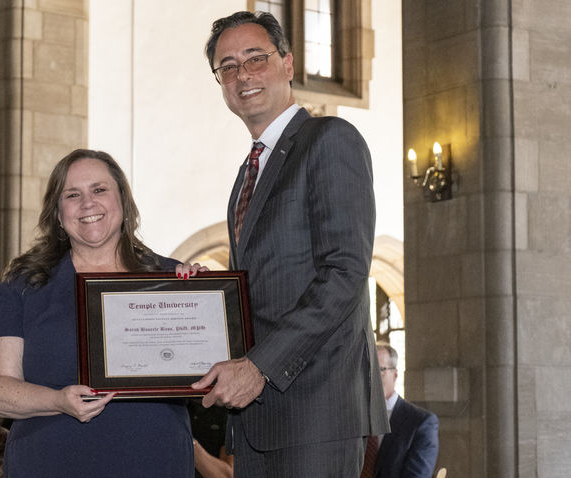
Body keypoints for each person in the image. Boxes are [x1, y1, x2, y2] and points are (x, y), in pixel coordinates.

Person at [179, 11, 389, 476]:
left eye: (256, 58)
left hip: (316, 408)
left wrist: (259, 368)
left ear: (288, 64)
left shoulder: (330, 139)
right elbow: (267, 286)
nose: (243, 74)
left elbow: (345, 274)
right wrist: (206, 296)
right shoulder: (248, 173)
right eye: (227, 66)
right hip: (259, 418)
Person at [0, 149, 194, 478]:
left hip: (154, 460)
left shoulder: (171, 277)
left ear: (123, 200)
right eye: (72, 194)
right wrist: (57, 400)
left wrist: (206, 296)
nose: (88, 203)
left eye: (99, 190)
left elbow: (211, 376)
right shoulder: (26, 283)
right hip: (50, 462)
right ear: (58, 213)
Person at [370, 343, 439, 478]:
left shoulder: (421, 423)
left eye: (379, 369)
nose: (371, 377)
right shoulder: (350, 419)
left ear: (395, 375)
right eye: (366, 369)